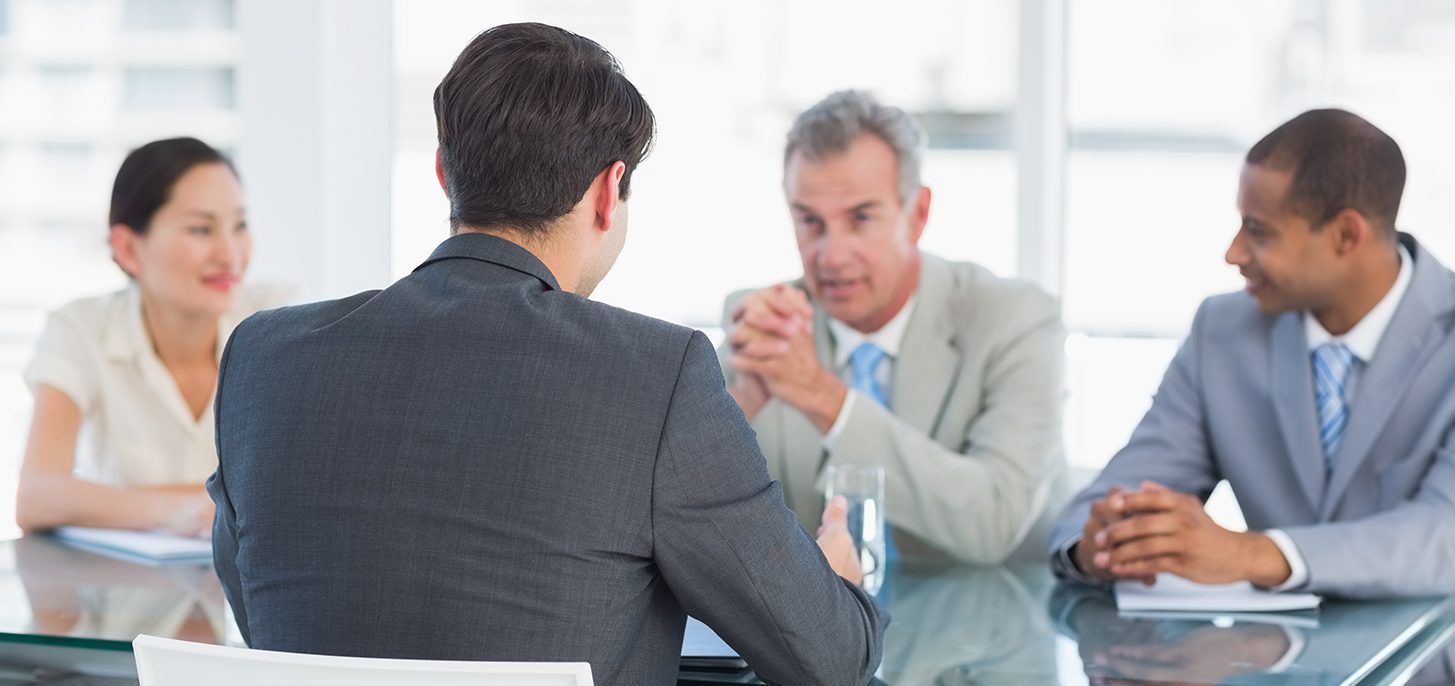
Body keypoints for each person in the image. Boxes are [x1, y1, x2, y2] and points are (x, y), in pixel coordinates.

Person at [208, 23, 885, 686]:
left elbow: (266, 621)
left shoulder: (263, 357)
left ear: (445, 173)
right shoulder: (657, 372)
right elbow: (828, 661)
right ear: (605, 190)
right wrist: (841, 584)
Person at [1049, 109, 1455, 598]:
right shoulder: (1222, 333)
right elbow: (1105, 501)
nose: (1233, 253)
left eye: (1259, 231)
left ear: (1346, 235)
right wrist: (1103, 542)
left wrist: (1249, 554)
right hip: (1262, 664)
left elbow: (1442, 537)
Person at [721, 90, 1067, 564]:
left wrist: (824, 398)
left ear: (918, 214)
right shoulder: (768, 323)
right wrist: (736, 408)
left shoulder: (1016, 318)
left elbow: (995, 520)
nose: (831, 256)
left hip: (993, 626)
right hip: (826, 632)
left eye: (861, 218)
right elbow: (688, 520)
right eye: (810, 221)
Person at [17, 137, 279, 537]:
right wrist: (180, 510)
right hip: (124, 590)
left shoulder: (277, 319)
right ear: (127, 248)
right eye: (201, 229)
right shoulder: (82, 328)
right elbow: (37, 497)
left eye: (239, 225)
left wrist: (122, 501)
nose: (231, 254)